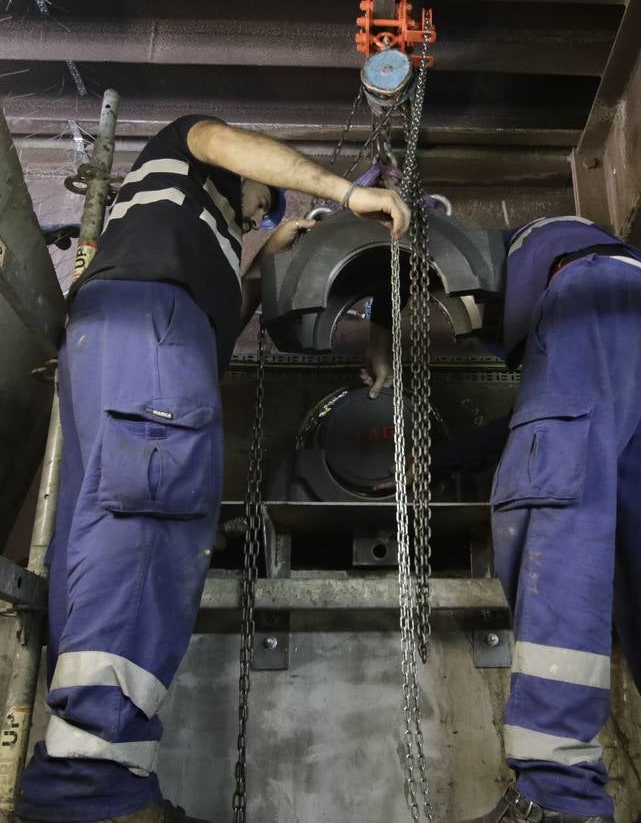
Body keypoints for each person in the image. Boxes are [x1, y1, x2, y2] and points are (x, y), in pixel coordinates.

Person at [15, 115, 410, 823]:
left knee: (102, 532)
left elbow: (228, 316)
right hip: (153, 328)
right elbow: (226, 141)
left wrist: (263, 259)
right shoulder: (186, 155)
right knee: (147, 520)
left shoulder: (195, 246)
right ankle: (92, 793)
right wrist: (343, 195)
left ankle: (74, 778)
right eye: (265, 200)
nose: (267, 210)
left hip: (127, 342)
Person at [365, 213, 641, 823]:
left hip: (588, 291)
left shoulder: (515, 259)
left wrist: (379, 340)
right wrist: (433, 464)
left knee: (551, 513)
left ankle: (557, 797)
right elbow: (539, 417)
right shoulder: (597, 299)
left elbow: (399, 241)